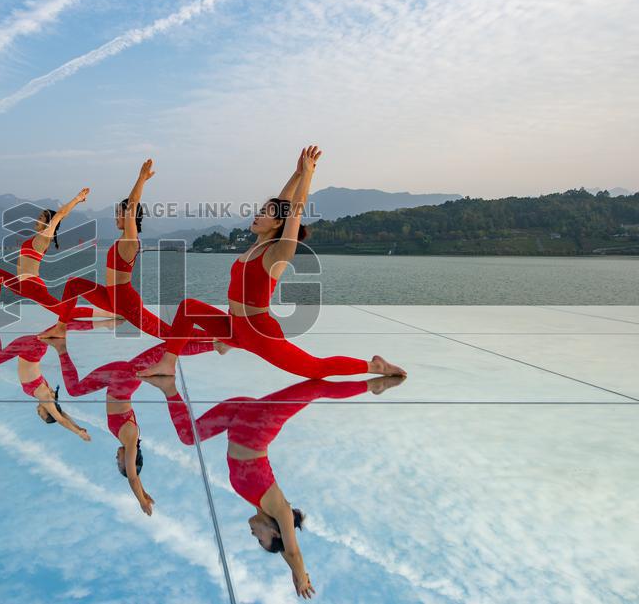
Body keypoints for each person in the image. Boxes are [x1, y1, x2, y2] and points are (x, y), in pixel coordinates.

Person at [138, 146, 406, 380]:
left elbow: (294, 209)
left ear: (279, 223)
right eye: (260, 210)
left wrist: (309, 174)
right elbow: (283, 203)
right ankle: (168, 363)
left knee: (315, 368)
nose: (257, 215)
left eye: (265, 214)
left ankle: (374, 365)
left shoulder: (278, 252)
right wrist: (296, 173)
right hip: (234, 327)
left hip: (259, 334)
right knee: (188, 308)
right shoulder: (257, 245)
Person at [145, 374, 404, 598]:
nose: (253, 535)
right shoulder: (278, 508)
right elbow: (293, 552)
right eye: (260, 538)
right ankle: (373, 385)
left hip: (237, 418)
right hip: (259, 424)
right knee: (316, 388)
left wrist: (291, 567)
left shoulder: (258, 503)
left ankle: (168, 386)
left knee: (189, 436)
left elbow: (286, 552)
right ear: (276, 532)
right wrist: (300, 577)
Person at [40, 159, 214, 341]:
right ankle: (60, 329)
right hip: (110, 297)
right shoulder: (123, 239)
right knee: (73, 284)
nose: (116, 217)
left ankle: (216, 338)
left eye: (119, 213)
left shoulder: (131, 241)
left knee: (169, 334)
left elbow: (132, 203)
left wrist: (141, 179)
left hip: (126, 303)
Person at [62, 341, 215, 514]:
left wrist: (144, 492)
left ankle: (60, 346)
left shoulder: (128, 438)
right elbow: (133, 477)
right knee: (166, 350)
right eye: (119, 462)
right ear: (128, 461)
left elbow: (135, 476)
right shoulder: (130, 440)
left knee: (75, 390)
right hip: (123, 379)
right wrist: (141, 501)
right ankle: (217, 343)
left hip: (117, 378)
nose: (116, 458)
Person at [0, 187, 113, 321]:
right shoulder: (36, 238)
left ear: (48, 224)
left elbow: (60, 215)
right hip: (21, 284)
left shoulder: (44, 237)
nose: (37, 219)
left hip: (33, 286)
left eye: (41, 218)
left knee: (64, 312)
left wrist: (77, 198)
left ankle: (108, 314)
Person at [0, 320, 91, 441]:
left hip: (35, 349)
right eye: (41, 416)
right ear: (48, 411)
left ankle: (97, 321)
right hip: (29, 350)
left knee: (62, 327)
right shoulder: (45, 397)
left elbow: (62, 413)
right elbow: (60, 419)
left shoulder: (48, 394)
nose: (38, 414)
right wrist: (78, 432)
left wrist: (79, 427)